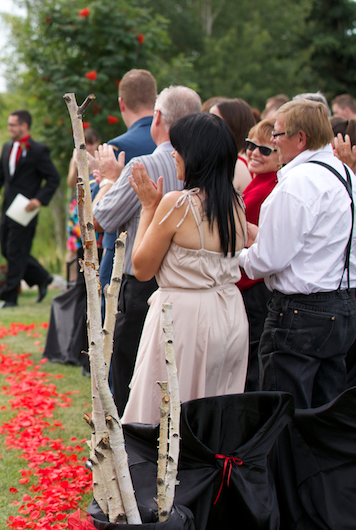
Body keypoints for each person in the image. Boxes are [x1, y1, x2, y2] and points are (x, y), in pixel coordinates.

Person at [122, 112, 249, 424]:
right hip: (230, 313)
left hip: (185, 319)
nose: (174, 153)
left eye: (178, 147)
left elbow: (141, 268)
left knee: (165, 409)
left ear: (196, 155)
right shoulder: (235, 203)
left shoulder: (178, 203)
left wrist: (149, 207)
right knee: (214, 405)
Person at [240, 100, 356, 409]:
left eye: (278, 135)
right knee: (324, 416)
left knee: (284, 415)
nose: (274, 142)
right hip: (341, 306)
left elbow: (267, 261)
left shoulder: (298, 182)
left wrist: (234, 256)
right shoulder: (346, 176)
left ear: (300, 138)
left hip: (300, 313)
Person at [93, 85, 202, 414]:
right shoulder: (205, 165)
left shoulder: (145, 165)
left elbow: (101, 218)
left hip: (142, 283)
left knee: (131, 377)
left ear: (158, 117)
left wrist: (109, 181)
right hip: (187, 284)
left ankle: (133, 454)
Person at [0, 109, 60, 308]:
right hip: (7, 207)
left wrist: (39, 200)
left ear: (24, 126)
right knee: (6, 248)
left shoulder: (38, 150)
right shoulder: (7, 147)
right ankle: (42, 277)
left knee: (16, 251)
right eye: (9, 124)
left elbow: (53, 178)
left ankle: (10, 297)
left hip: (25, 209)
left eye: (12, 125)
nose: (9, 128)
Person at [97, 70, 158, 288]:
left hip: (125, 254)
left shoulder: (118, 147)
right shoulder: (174, 141)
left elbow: (99, 215)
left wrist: (104, 181)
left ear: (121, 103)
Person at [237, 119, 281, 391]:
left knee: (252, 365)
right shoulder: (260, 183)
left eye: (264, 150)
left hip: (253, 286)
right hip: (251, 284)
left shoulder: (268, 188)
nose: (254, 153)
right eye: (251, 145)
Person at [210, 98, 254, 192]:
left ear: (233, 126)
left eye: (215, 121)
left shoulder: (235, 164)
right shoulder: (247, 160)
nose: (207, 126)